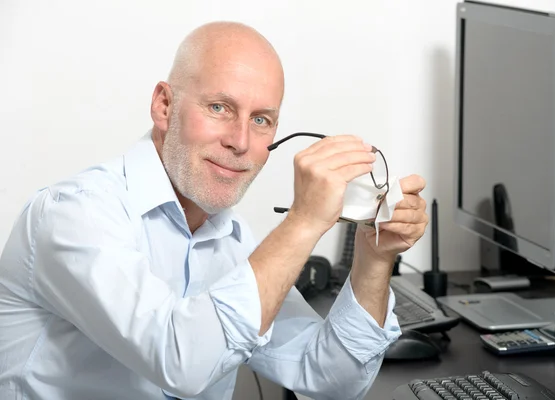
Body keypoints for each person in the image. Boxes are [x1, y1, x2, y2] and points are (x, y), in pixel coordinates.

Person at [0, 21, 428, 400]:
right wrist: (303, 221)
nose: (240, 142)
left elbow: (331, 379)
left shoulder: (233, 241)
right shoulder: (72, 215)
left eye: (261, 120)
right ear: (164, 106)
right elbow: (180, 361)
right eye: (219, 108)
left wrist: (374, 258)